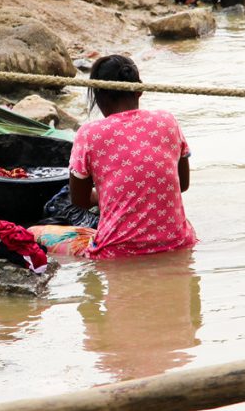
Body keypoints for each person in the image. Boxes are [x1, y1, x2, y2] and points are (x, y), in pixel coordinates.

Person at [65, 54, 197, 259]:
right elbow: (183, 184)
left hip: (116, 251)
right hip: (177, 243)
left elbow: (80, 200)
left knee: (38, 235)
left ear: (98, 96)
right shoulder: (167, 121)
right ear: (140, 89)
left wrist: (107, 195)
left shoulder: (89, 133)